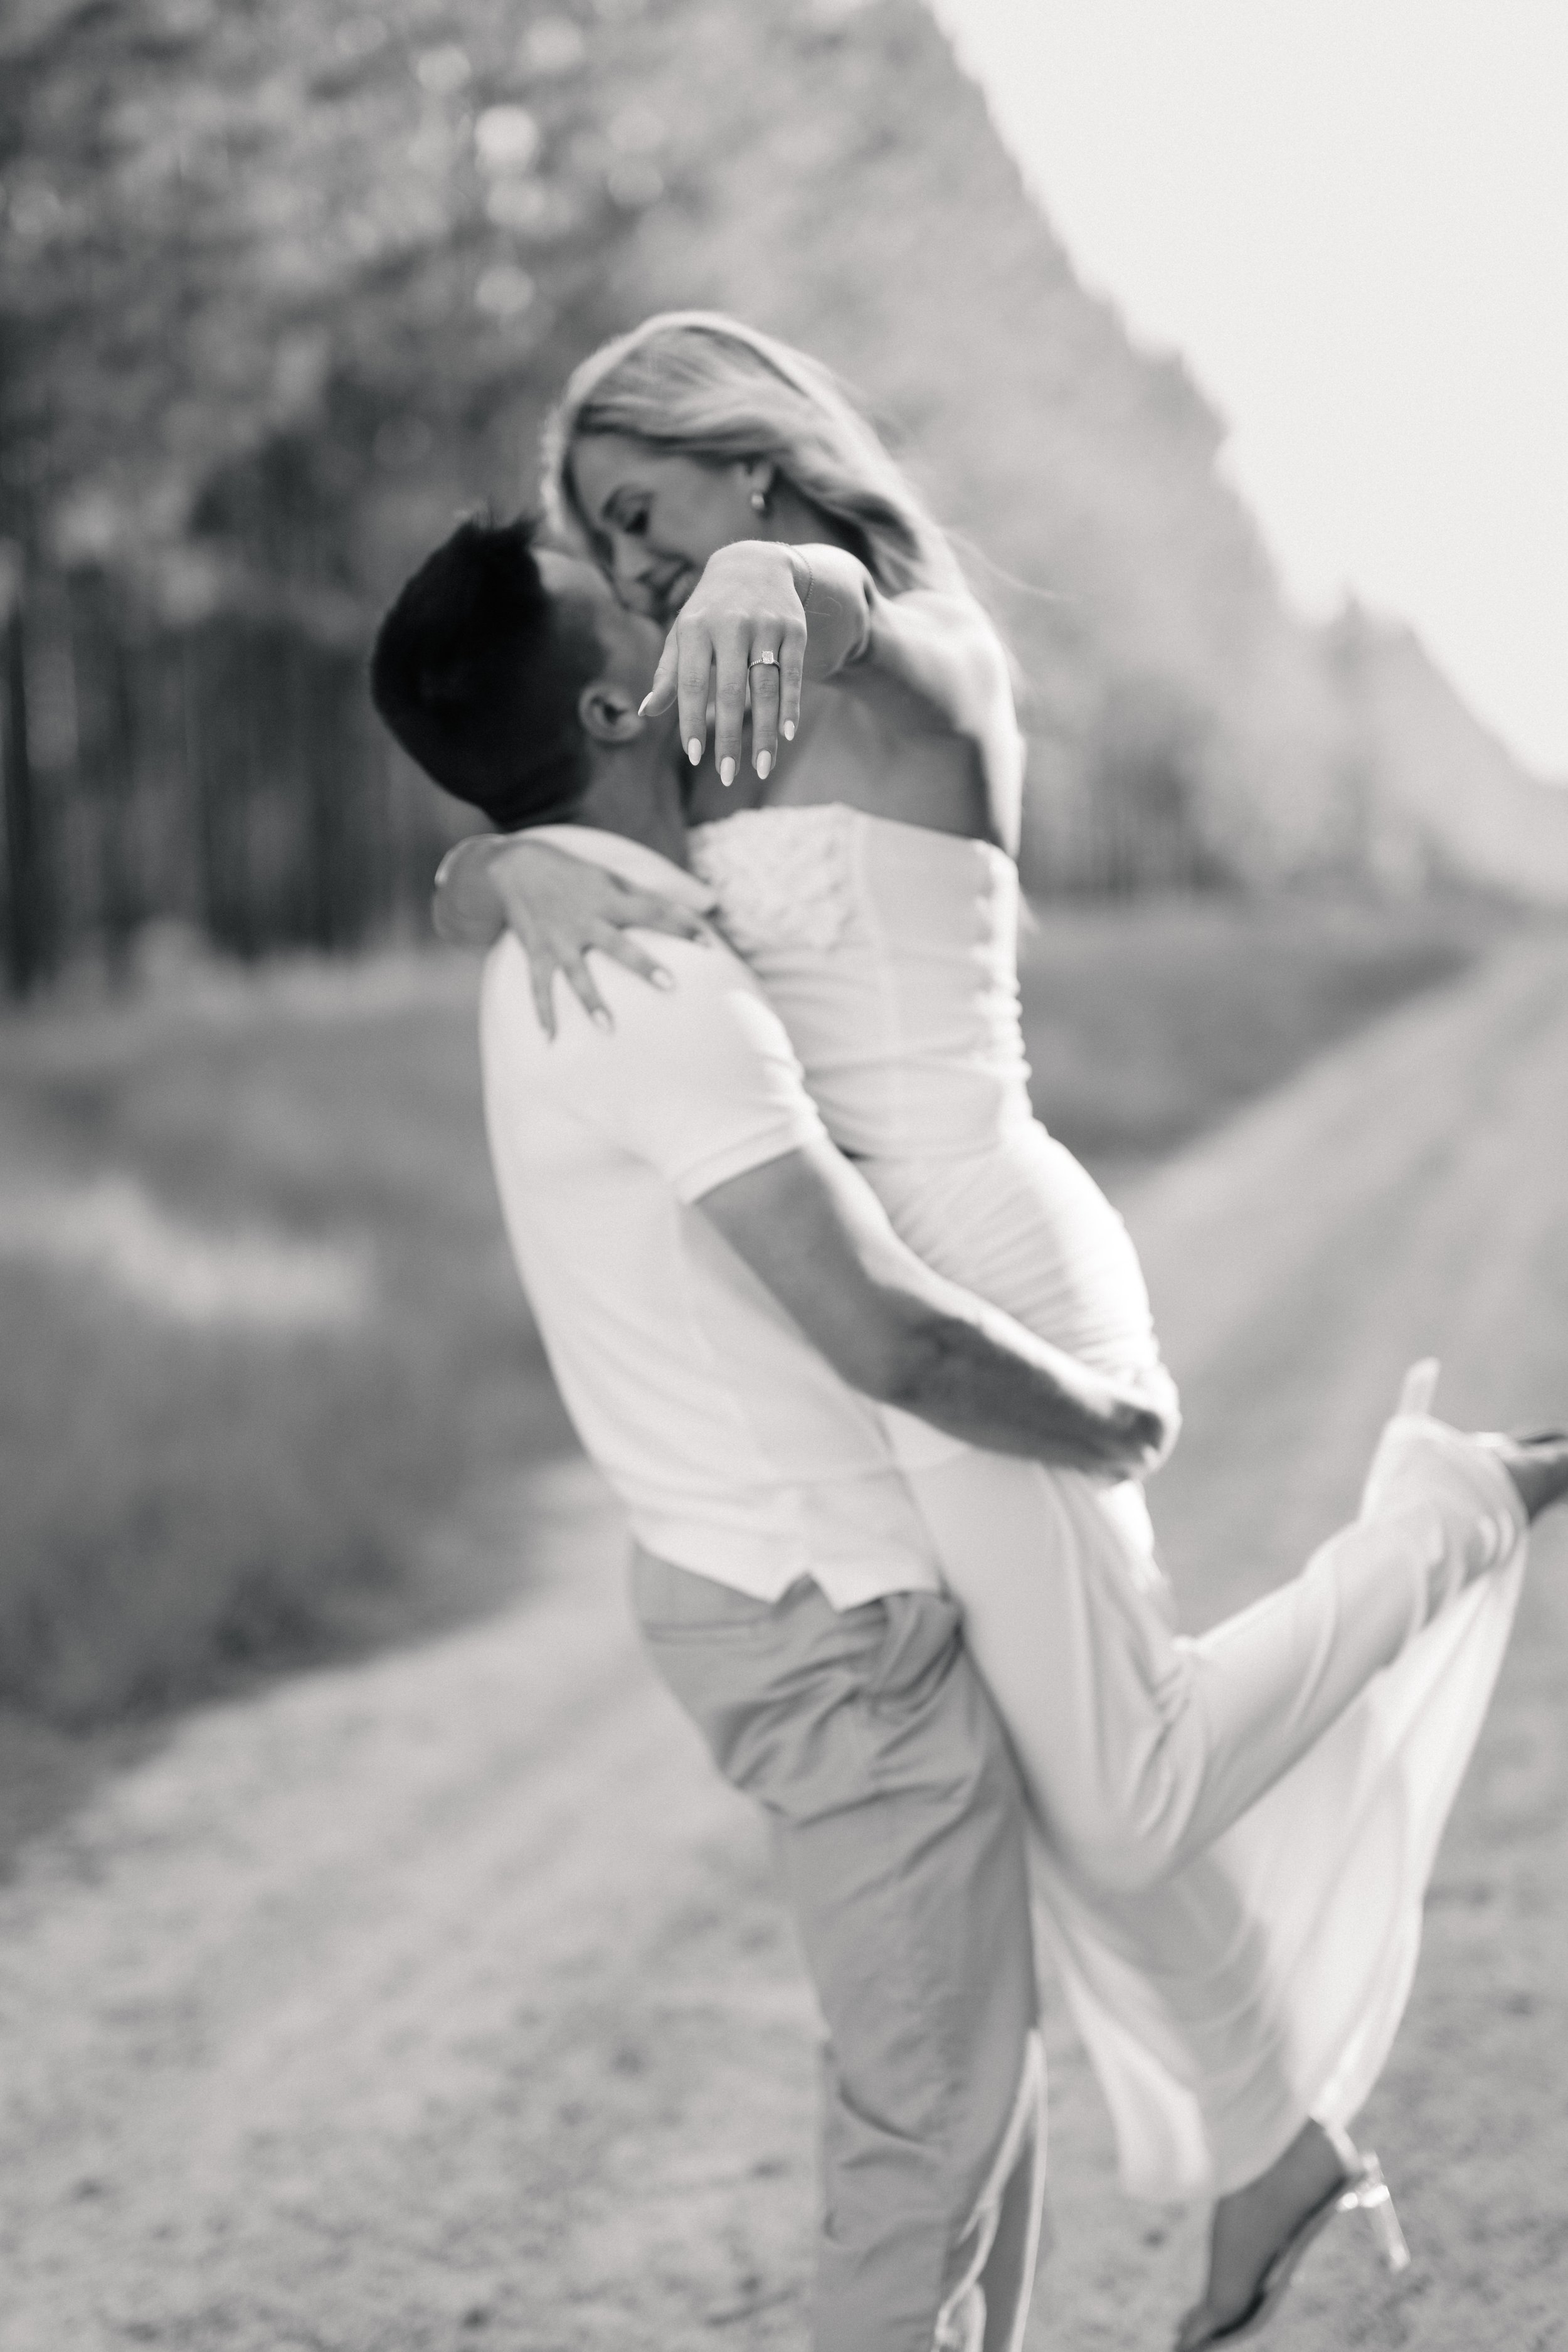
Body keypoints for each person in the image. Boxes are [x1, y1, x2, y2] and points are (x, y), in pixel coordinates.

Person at [414, 315, 1568, 2351]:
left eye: (646, 505)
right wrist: (496, 869)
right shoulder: (696, 708)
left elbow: (852, 610)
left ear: (750, 457)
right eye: (600, 534)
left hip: (977, 1260)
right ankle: (1274, 2153)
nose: (641, 554)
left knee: (1114, 1791)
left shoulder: (905, 652)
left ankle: (1455, 1503)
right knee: (1059, 1792)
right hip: (890, 1283)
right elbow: (552, 779)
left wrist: (796, 578)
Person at [370, 516, 1200, 2352]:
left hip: (790, 1590)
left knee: (973, 2097)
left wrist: (490, 864)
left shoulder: (590, 923)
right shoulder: (646, 986)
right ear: (611, 698)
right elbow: (874, 1324)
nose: (675, 614)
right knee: (927, 2127)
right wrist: (1106, 1419)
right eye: (640, 611)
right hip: (825, 1618)